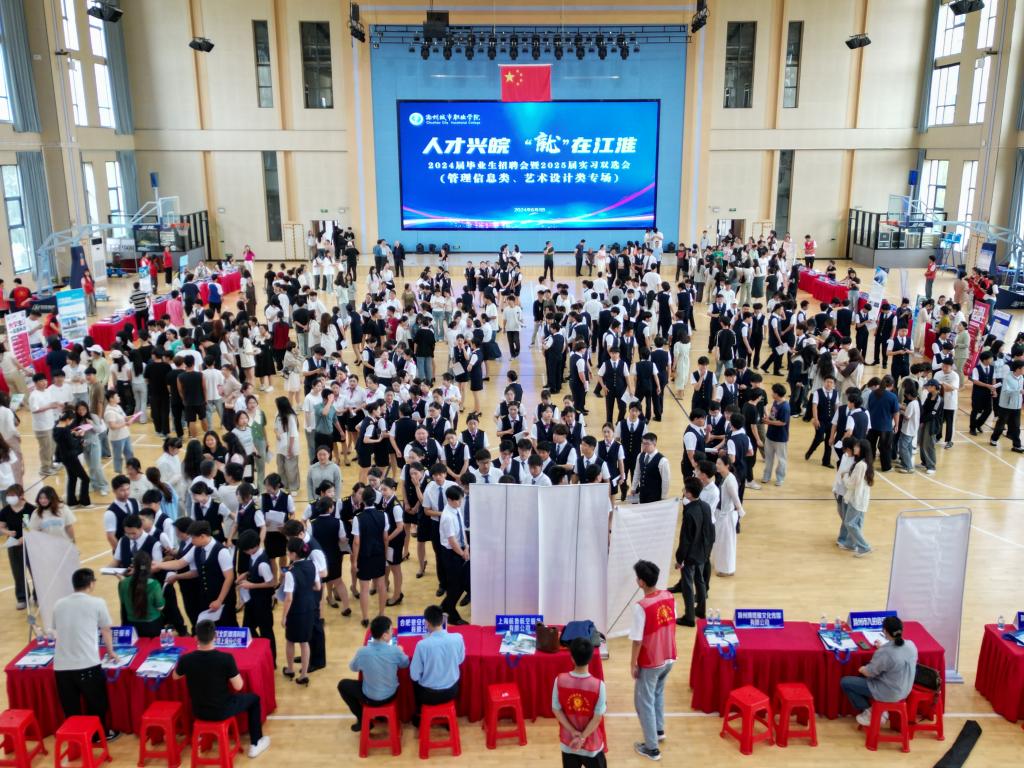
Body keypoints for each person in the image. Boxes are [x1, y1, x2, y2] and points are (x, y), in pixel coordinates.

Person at [174, 619, 271, 758]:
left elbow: (175, 676)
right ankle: (256, 743)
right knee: (254, 699)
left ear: (195, 638)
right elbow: (239, 686)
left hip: (198, 711)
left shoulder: (186, 659)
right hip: (221, 710)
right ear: (215, 636)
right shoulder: (225, 658)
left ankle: (202, 737)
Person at [53, 568, 121, 742]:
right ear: (91, 584)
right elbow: (106, 629)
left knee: (70, 706)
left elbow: (55, 629)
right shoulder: (97, 602)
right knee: (96, 702)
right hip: (87, 664)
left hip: (61, 666)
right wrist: (111, 652)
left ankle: (75, 738)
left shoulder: (59, 603)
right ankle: (99, 734)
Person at [630, 559, 675, 762]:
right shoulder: (669, 596)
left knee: (643, 702)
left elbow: (637, 640)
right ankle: (658, 730)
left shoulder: (641, 607)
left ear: (641, 582)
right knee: (658, 693)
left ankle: (652, 748)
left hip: (651, 661)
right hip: (669, 656)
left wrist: (633, 663)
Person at [841, 616, 919, 727]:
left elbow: (869, 672)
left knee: (846, 682)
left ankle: (870, 712)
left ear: (884, 631)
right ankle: (878, 711)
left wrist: (862, 669)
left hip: (888, 692)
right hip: (905, 690)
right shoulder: (911, 645)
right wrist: (883, 647)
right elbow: (896, 655)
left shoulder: (885, 652)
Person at [338, 615, 410, 732]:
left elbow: (353, 668)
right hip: (391, 694)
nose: (392, 633)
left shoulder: (362, 652)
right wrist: (401, 651)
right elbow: (405, 664)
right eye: (391, 631)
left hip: (370, 696)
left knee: (343, 685)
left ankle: (362, 719)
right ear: (385, 635)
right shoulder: (395, 650)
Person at [552, 637, 608, 768]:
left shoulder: (559, 680)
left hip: (568, 743)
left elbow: (556, 709)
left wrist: (573, 732)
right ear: (590, 658)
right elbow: (597, 718)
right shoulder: (599, 686)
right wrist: (582, 737)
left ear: (572, 658)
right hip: (592, 745)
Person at [409, 604, 465, 727]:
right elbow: (460, 660)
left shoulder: (422, 645)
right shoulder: (458, 638)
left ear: (426, 623)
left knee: (414, 682)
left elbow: (414, 675)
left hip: (428, 695)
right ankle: (447, 720)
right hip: (452, 690)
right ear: (443, 620)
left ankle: (419, 715)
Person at [674, 477, 714, 626]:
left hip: (690, 555)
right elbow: (710, 530)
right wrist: (707, 551)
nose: (684, 492)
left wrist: (679, 559)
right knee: (700, 580)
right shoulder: (706, 506)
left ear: (689, 494)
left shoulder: (689, 511)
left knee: (687, 585)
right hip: (703, 552)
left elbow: (685, 539)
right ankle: (701, 610)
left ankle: (689, 617)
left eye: (685, 490)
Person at [280, 538, 318, 686]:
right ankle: (304, 674)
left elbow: (288, 598)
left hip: (295, 611)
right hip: (309, 608)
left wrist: (284, 617)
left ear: (294, 554)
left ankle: (290, 669)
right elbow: (317, 587)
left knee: (290, 640)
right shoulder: (312, 565)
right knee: (304, 642)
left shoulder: (291, 573)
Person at [438, 485, 470, 624]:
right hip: (451, 553)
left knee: (461, 583)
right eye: (458, 500)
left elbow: (462, 530)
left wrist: (467, 547)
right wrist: (462, 553)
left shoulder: (456, 509)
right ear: (450, 500)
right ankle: (451, 614)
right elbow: (451, 540)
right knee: (455, 585)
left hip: (460, 549)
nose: (460, 502)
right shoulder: (447, 516)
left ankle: (444, 608)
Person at [117, 550, 165, 638]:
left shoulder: (123, 583)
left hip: (132, 624)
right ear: (149, 565)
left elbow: (123, 602)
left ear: (133, 565)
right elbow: (160, 607)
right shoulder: (154, 584)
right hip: (152, 624)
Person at [839, 439, 874, 557]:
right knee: (857, 522)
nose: (855, 448)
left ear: (862, 450)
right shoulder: (865, 463)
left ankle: (864, 546)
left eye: (857, 447)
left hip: (857, 498)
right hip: (862, 498)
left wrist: (844, 477)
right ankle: (850, 544)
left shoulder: (860, 465)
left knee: (850, 523)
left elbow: (852, 484)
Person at [0, 485, 32, 609]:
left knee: (35, 571)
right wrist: (8, 532)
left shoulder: (30, 509)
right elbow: (1, 526)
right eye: (8, 495)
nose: (10, 498)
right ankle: (22, 597)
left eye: (13, 495)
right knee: (18, 572)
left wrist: (23, 538)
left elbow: (31, 527)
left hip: (30, 544)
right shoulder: (6, 510)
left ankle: (38, 595)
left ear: (21, 495)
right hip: (13, 544)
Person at [761, 383, 790, 487]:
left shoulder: (785, 407)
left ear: (777, 394)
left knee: (781, 459)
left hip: (780, 438)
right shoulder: (775, 402)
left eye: (773, 392)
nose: (771, 393)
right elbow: (773, 415)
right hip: (770, 435)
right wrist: (768, 418)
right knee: (768, 458)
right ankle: (766, 476)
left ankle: (780, 478)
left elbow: (782, 422)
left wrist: (768, 422)